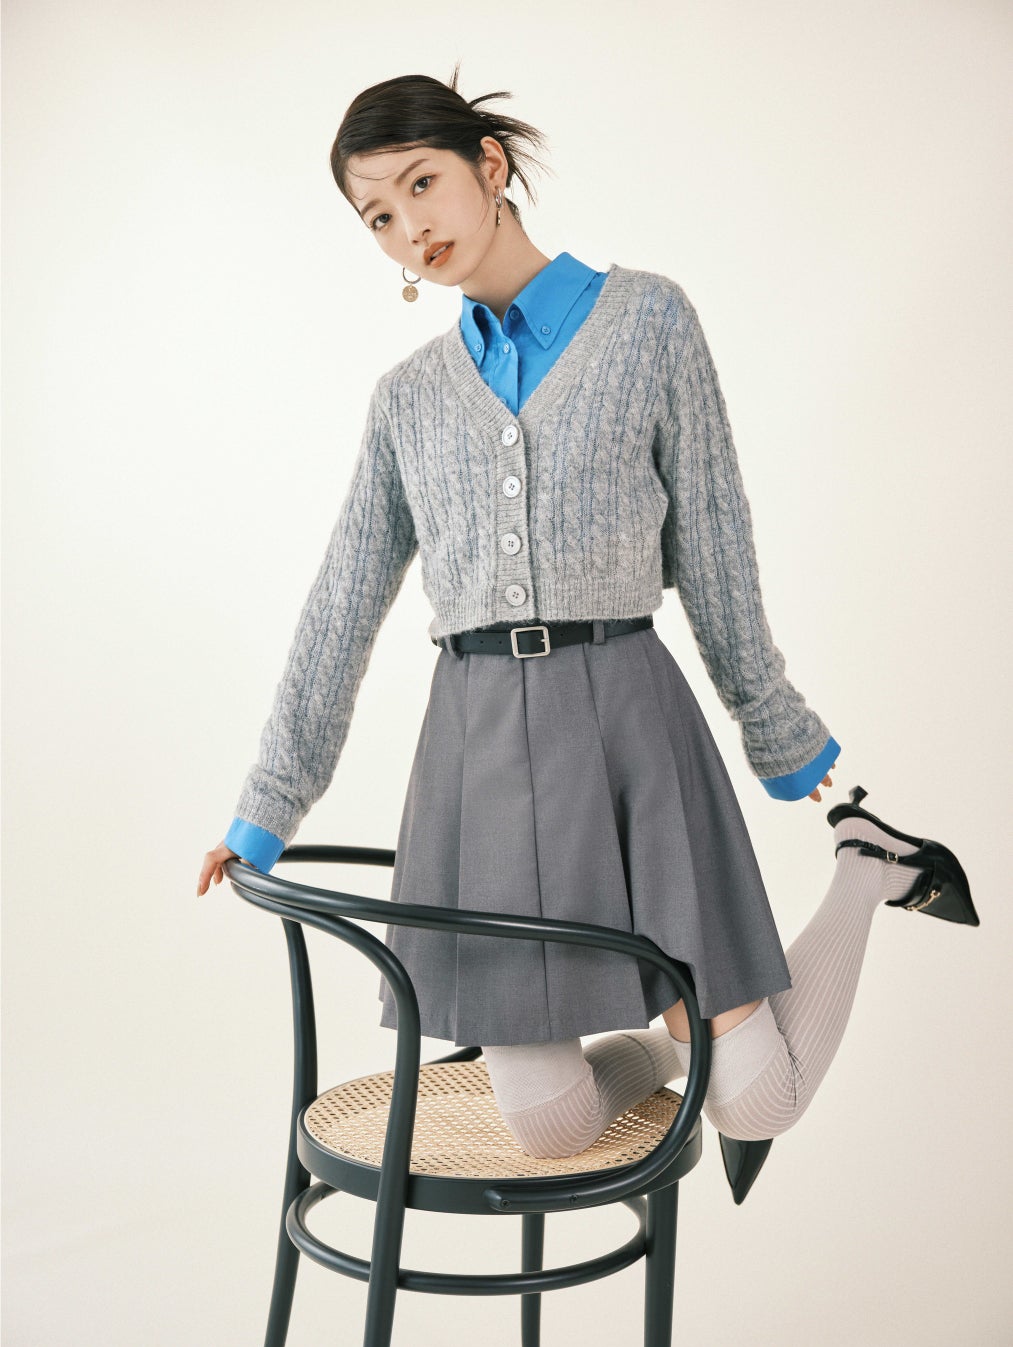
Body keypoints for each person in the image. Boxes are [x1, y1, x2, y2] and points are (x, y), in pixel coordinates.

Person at [197, 66, 977, 1179]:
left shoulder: (648, 322)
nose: (409, 228)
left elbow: (713, 543)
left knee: (759, 1096)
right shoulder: (406, 400)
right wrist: (267, 808)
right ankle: (667, 1058)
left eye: (420, 184)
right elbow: (341, 603)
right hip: (473, 758)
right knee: (553, 1126)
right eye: (377, 217)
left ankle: (867, 866)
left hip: (629, 727)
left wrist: (778, 733)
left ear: (488, 165)